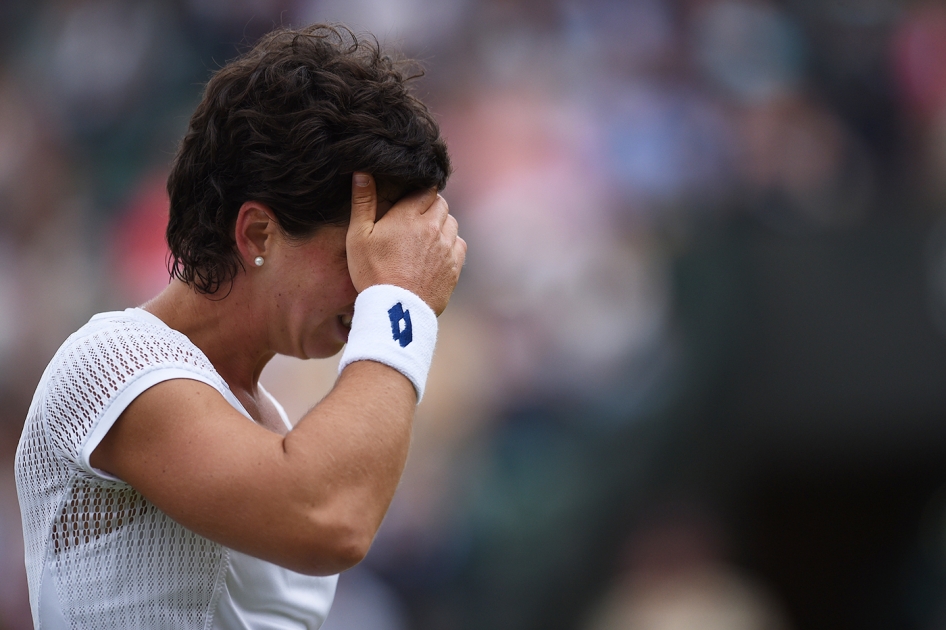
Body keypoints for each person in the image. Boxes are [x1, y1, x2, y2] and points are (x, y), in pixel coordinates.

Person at [14, 23, 465, 629]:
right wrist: (401, 300)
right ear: (258, 233)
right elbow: (330, 518)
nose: (371, 285)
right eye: (356, 258)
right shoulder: (111, 364)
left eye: (382, 263)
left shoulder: (264, 416)